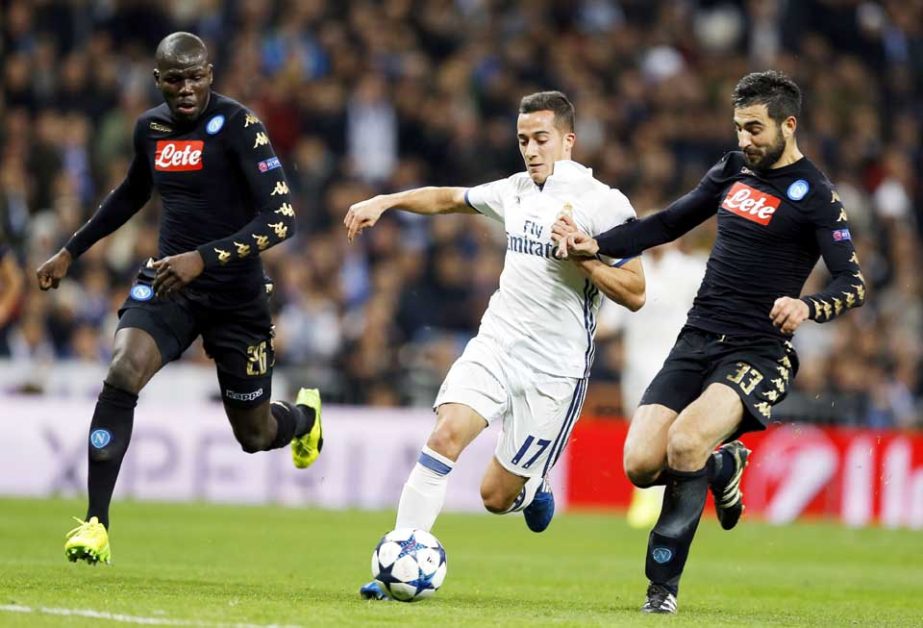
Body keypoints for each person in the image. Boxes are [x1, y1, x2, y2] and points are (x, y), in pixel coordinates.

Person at [552, 70, 866, 614]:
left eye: (755, 128)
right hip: (697, 337)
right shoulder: (733, 169)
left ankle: (661, 588)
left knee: (686, 443)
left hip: (758, 350)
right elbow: (668, 223)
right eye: (739, 127)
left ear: (789, 125)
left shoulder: (816, 195)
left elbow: (853, 283)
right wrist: (595, 244)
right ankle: (724, 467)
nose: (745, 139)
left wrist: (807, 306)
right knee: (640, 464)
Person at [35, 32, 324, 565]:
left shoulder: (240, 127)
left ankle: (303, 418)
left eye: (195, 77)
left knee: (256, 434)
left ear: (210, 75)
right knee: (123, 370)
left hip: (236, 295)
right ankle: (96, 524)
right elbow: (130, 193)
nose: (186, 88)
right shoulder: (151, 129)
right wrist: (70, 251)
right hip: (169, 282)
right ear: (158, 81)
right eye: (175, 79)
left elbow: (281, 219)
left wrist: (204, 258)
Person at [344, 91, 645, 600]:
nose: (531, 149)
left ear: (568, 141)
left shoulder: (605, 204)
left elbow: (635, 292)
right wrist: (386, 201)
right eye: (523, 139)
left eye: (541, 139)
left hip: (556, 371)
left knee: (495, 496)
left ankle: (533, 488)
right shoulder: (515, 190)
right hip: (497, 345)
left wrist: (585, 259)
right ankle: (393, 564)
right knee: (444, 436)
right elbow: (447, 198)